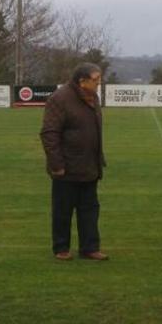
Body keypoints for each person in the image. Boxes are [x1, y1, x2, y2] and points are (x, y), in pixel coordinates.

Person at [40, 62, 108, 261]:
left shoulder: (92, 97)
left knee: (90, 210)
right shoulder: (59, 99)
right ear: (82, 81)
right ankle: (61, 248)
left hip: (89, 166)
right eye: (96, 80)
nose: (99, 83)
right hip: (66, 168)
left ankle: (90, 248)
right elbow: (49, 134)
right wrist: (57, 165)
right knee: (63, 210)